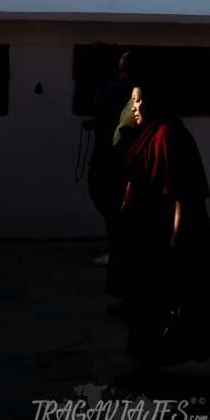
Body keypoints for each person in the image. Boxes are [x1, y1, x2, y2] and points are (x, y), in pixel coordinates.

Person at [114, 80, 210, 387]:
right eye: (132, 102)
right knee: (147, 303)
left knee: (197, 299)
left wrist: (176, 237)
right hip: (149, 234)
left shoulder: (169, 135)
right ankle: (148, 364)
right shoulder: (149, 134)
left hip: (172, 236)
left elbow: (182, 192)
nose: (134, 108)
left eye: (140, 101)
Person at [88, 52, 138, 267]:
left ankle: (119, 251)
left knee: (112, 204)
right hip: (113, 156)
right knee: (112, 203)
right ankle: (120, 249)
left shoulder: (115, 91)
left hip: (114, 158)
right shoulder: (125, 92)